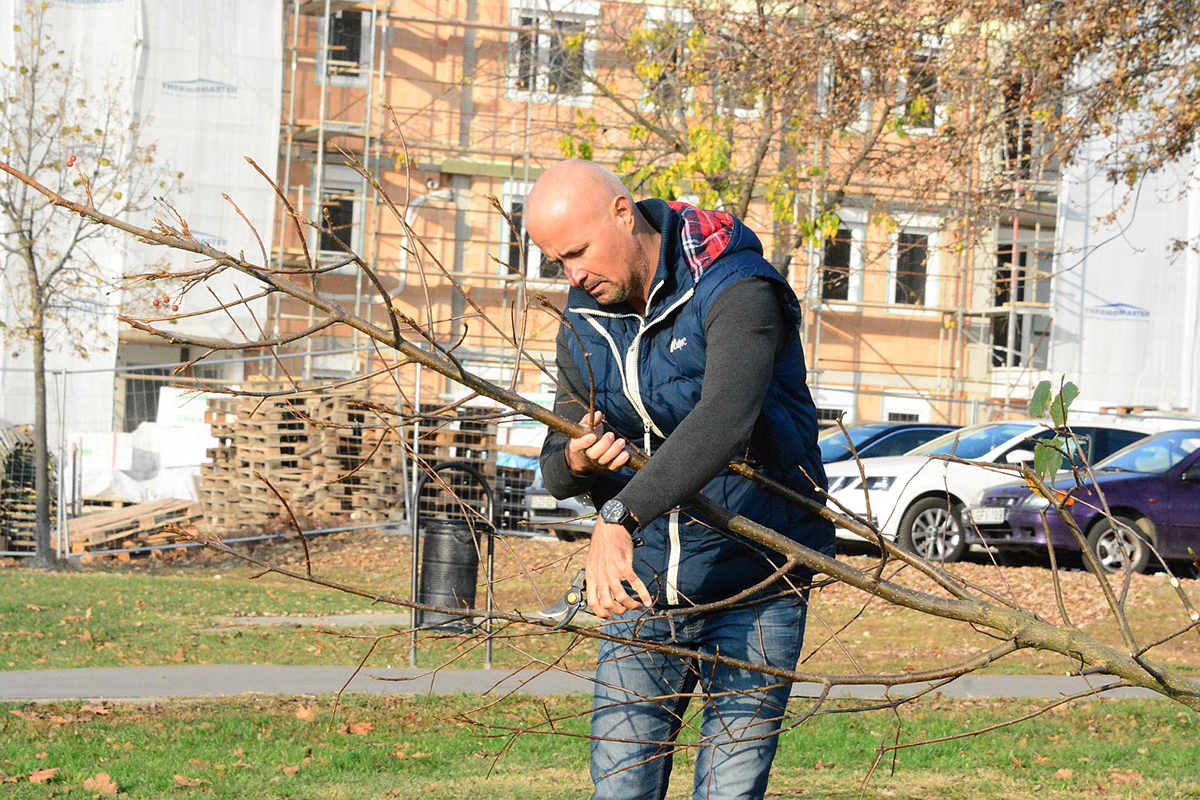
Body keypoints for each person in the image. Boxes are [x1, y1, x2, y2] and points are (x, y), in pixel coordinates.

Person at [529, 160, 834, 800]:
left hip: (755, 586)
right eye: (558, 262)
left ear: (623, 211)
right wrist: (580, 461)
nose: (573, 275)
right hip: (642, 592)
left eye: (578, 253)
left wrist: (618, 518)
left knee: (729, 792)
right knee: (619, 791)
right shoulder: (585, 317)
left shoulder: (737, 286)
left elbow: (725, 418)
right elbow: (554, 467)